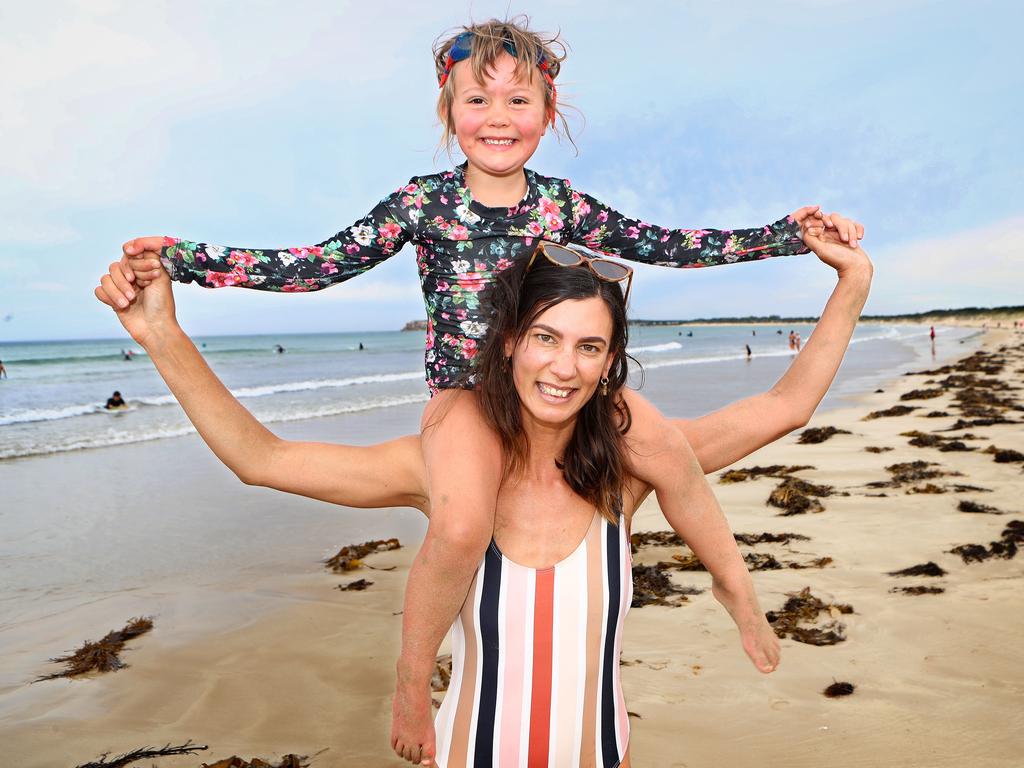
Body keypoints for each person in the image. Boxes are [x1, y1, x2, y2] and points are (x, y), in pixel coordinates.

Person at [106, 16, 865, 757]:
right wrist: (185, 260)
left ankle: (733, 582)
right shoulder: (421, 202)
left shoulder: (564, 206)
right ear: (448, 111)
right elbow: (313, 266)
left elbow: (668, 247)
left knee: (664, 445)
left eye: (517, 100)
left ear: (547, 113)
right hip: (465, 398)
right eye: (477, 99)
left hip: (556, 404)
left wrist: (784, 235)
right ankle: (411, 679)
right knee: (464, 524)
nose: (497, 117)